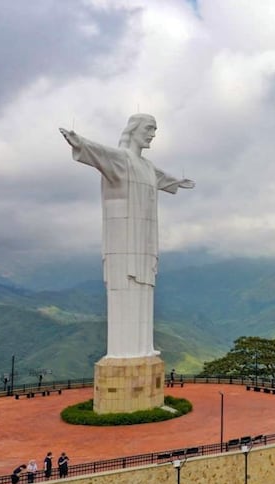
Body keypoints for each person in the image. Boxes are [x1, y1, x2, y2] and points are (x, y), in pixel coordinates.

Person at [59, 115, 195, 358]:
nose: (153, 134)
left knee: (144, 291)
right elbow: (98, 151)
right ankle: (123, 350)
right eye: (149, 129)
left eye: (155, 129)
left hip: (144, 240)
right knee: (124, 291)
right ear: (134, 130)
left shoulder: (147, 166)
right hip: (122, 241)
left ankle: (143, 347)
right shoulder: (121, 159)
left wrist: (178, 182)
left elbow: (162, 178)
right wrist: (79, 141)